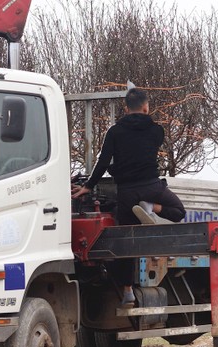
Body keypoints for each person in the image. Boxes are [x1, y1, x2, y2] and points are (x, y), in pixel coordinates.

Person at [71, 87, 185, 307]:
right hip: (152, 186)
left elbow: (103, 162)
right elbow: (147, 147)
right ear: (146, 107)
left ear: (125, 108)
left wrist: (88, 186)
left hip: (127, 192)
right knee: (179, 212)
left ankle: (127, 292)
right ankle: (152, 207)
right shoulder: (156, 131)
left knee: (127, 244)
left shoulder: (115, 132)